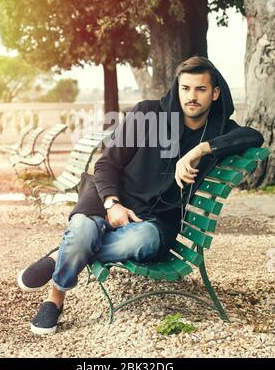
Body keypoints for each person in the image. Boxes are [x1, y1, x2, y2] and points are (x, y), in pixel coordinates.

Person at [17, 56, 264, 335]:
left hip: (155, 223)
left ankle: (61, 254)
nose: (191, 97)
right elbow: (106, 164)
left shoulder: (220, 131)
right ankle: (55, 300)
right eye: (185, 89)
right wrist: (113, 204)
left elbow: (254, 137)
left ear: (215, 93)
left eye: (200, 89)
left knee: (131, 238)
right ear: (177, 88)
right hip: (106, 200)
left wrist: (199, 151)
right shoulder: (148, 115)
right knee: (84, 228)